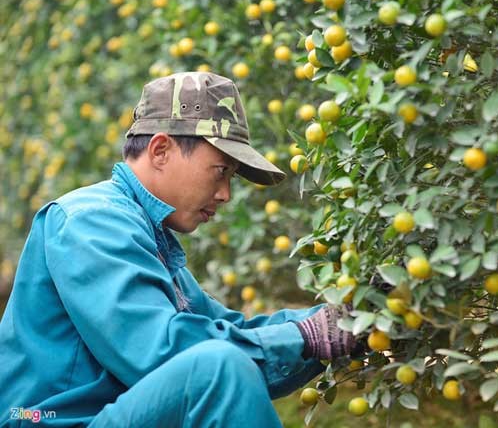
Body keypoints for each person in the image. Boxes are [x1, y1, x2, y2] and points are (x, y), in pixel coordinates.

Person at [0, 72, 357, 427]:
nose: (226, 194)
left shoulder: (148, 238)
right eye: (220, 171)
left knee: (219, 362)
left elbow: (225, 329)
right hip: (41, 421)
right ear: (160, 150)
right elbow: (164, 353)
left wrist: (341, 323)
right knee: (217, 368)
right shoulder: (93, 221)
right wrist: (304, 337)